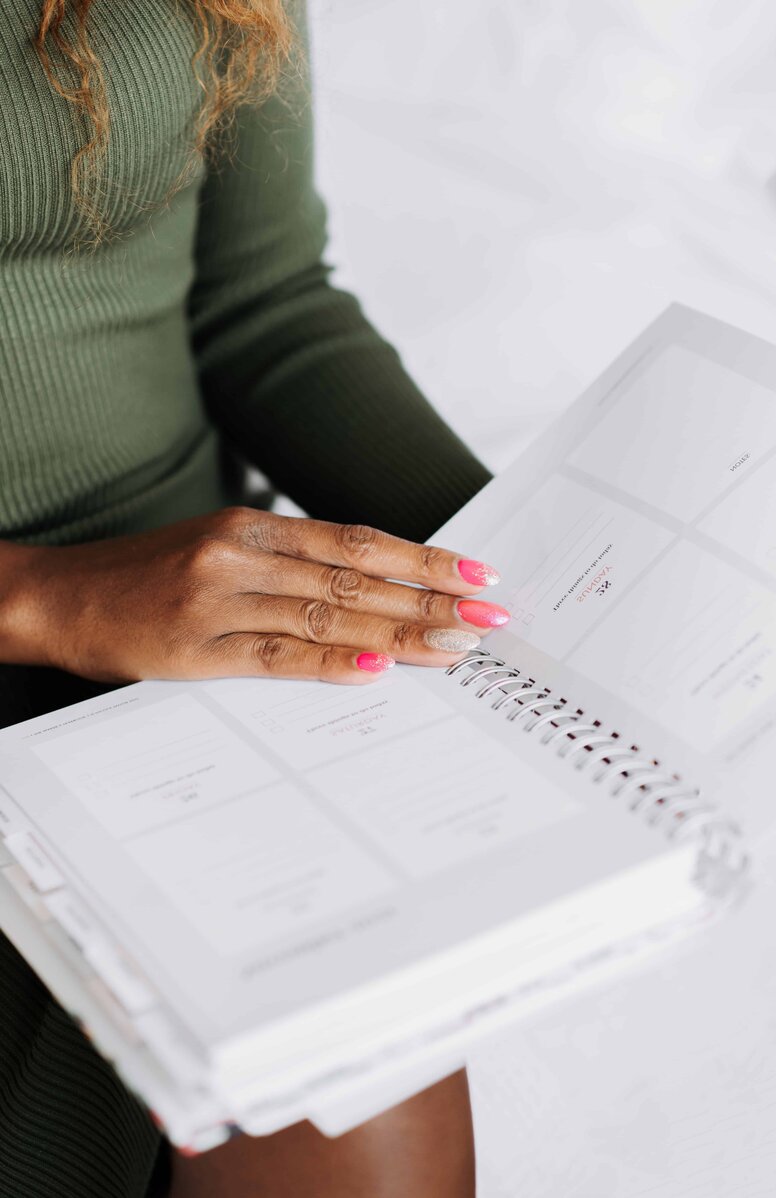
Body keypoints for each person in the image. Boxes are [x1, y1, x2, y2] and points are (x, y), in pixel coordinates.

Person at [0, 1, 511, 1195]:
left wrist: (506, 567)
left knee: (364, 1085)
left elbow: (264, 307)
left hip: (191, 643)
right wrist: (44, 598)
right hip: (84, 615)